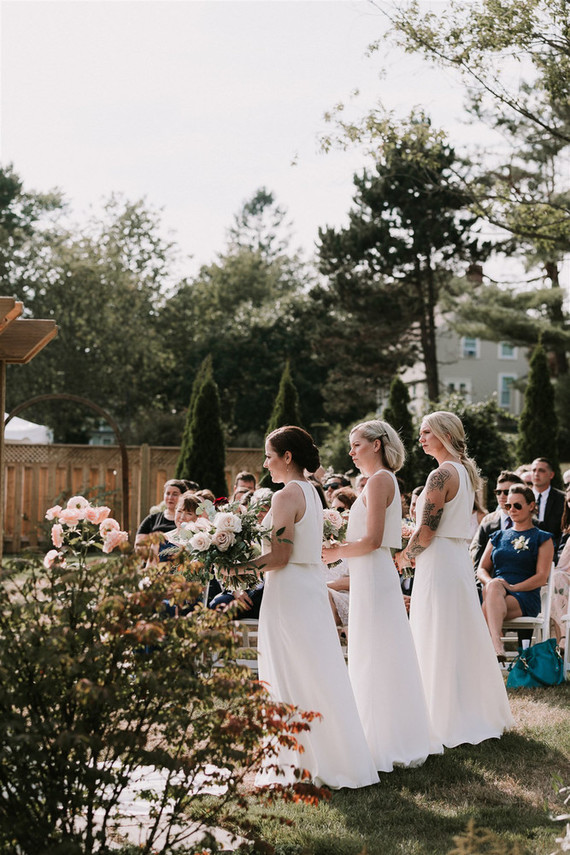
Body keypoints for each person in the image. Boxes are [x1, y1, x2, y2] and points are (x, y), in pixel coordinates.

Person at [232, 425, 378, 789]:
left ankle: (296, 764)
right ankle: (333, 758)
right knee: (317, 671)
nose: (265, 464)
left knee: (289, 672)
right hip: (309, 587)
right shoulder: (312, 493)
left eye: (268, 456)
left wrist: (237, 568)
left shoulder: (286, 496)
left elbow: (280, 556)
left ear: (287, 456)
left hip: (290, 593)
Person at [323, 420, 440, 771]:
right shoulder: (379, 481)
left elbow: (373, 540)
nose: (351, 451)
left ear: (376, 445)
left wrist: (336, 551)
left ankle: (382, 741)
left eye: (356, 444)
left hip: (373, 575)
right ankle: (386, 733)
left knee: (375, 655)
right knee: (378, 653)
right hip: (371, 575)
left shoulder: (379, 481)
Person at [401, 411, 514, 748]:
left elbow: (428, 530)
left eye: (426, 432)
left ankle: (444, 716)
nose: (420, 438)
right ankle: (466, 707)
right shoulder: (463, 471)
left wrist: (404, 555)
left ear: (445, 434)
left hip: (439, 562)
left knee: (440, 631)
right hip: (453, 560)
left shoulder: (440, 474)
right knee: (456, 632)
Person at [477, 484, 553, 660]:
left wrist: (512, 586)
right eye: (508, 506)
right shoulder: (497, 536)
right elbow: (481, 569)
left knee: (486, 604)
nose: (512, 510)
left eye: (517, 505)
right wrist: (491, 583)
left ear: (531, 506)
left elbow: (542, 577)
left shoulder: (542, 538)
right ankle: (497, 645)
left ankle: (491, 649)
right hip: (496, 592)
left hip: (524, 596)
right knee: (493, 586)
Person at [470, 471, 524, 574]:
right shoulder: (488, 520)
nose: (501, 496)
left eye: (507, 492)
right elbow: (474, 549)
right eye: (498, 492)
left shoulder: (529, 519)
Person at [135, 479, 191, 563]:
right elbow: (139, 545)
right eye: (167, 493)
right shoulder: (152, 519)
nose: (170, 497)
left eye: (175, 494)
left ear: (183, 496)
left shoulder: (186, 520)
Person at [531, 457, 565, 546]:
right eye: (534, 470)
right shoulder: (521, 497)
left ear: (551, 475)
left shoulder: (563, 499)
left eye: (541, 470)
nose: (536, 474)